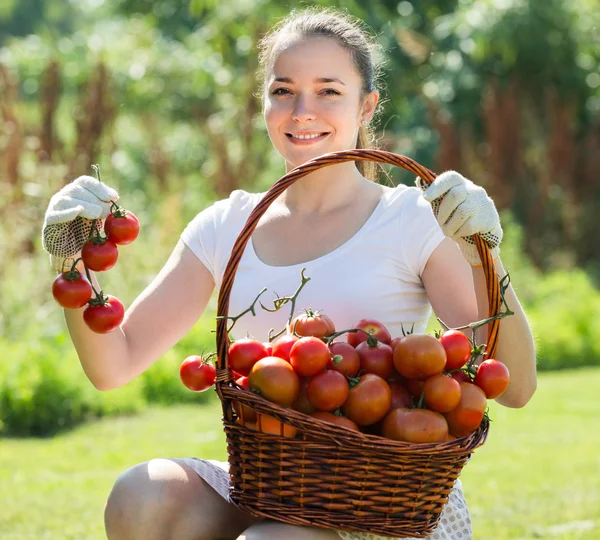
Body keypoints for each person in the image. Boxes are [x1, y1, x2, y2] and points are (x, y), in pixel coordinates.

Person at [41, 7, 537, 540]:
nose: (302, 111)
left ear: (366, 105)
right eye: (283, 91)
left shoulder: (411, 219)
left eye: (328, 91)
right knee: (142, 495)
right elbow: (113, 365)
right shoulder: (225, 226)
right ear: (264, 104)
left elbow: (515, 386)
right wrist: (72, 263)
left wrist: (482, 251)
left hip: (387, 504)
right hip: (278, 486)